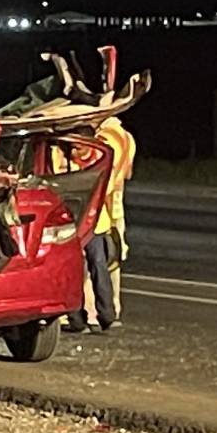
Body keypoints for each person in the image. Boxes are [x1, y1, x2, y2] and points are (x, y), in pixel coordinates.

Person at [96, 116, 136, 322]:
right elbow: (126, 173)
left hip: (101, 206)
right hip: (116, 203)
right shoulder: (126, 138)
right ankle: (114, 305)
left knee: (98, 260)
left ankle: (96, 311)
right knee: (114, 257)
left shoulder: (102, 138)